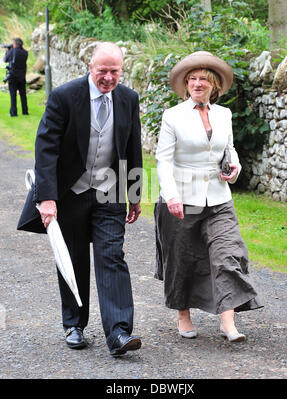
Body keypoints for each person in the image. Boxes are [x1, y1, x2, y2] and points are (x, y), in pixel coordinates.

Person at [17, 42, 143, 356]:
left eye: (115, 71)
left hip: (109, 191)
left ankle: (118, 333)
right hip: (69, 194)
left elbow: (132, 148)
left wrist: (134, 194)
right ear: (90, 67)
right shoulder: (64, 97)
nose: (109, 78)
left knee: (111, 256)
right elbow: (46, 150)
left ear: (121, 70)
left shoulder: (128, 99)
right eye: (103, 71)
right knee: (72, 259)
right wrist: (46, 198)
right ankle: (74, 324)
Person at [154, 51, 263, 343]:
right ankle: (183, 314)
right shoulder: (172, 116)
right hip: (181, 200)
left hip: (218, 199)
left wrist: (235, 167)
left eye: (203, 79)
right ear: (186, 84)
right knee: (181, 260)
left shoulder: (224, 115)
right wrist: (171, 195)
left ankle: (228, 323)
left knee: (228, 256)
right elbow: (163, 161)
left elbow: (230, 150)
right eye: (192, 79)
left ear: (214, 84)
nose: (197, 83)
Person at [4, 37, 28, 117]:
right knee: (23, 95)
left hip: (13, 76)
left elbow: (5, 59)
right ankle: (25, 111)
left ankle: (13, 112)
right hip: (22, 76)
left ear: (16, 44)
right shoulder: (25, 52)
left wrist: (7, 51)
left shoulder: (12, 51)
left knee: (13, 95)